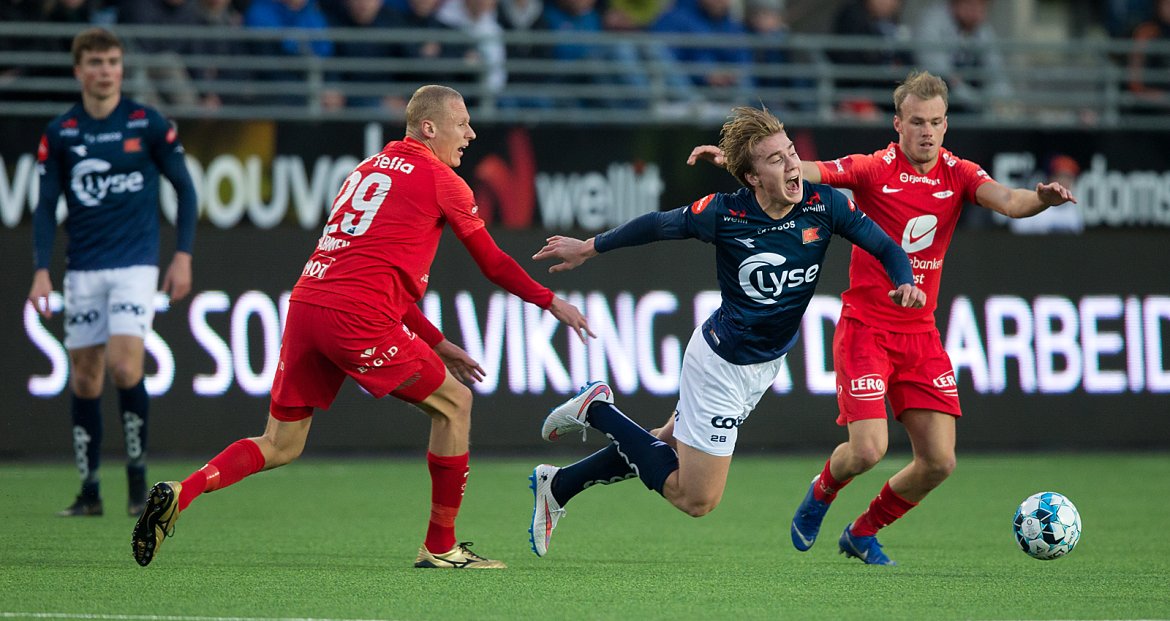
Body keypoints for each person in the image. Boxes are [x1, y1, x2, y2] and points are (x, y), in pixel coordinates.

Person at [130, 84, 594, 570]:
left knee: (280, 443)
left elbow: (373, 271)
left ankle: (182, 492)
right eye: (462, 125)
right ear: (429, 128)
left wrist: (438, 344)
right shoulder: (442, 180)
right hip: (355, 315)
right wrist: (549, 301)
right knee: (455, 405)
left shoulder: (366, 169)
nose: (471, 134)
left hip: (308, 303)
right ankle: (440, 547)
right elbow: (493, 263)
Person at [688, 70, 1077, 565]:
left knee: (938, 462)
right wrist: (741, 160)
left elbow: (1009, 200)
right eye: (917, 121)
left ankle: (863, 531)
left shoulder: (959, 173)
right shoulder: (875, 168)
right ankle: (821, 493)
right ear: (898, 123)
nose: (927, 132)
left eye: (936, 122)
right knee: (868, 449)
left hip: (921, 335)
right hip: (866, 329)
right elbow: (810, 171)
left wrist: (1041, 199)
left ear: (946, 124)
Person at [526, 104, 927, 558]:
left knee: (663, 444)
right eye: (776, 159)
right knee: (696, 498)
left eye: (791, 152)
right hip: (721, 363)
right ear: (753, 178)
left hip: (765, 363)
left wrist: (905, 280)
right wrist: (589, 247)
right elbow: (657, 225)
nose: (793, 164)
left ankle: (558, 484)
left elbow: (885, 246)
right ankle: (597, 409)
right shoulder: (724, 214)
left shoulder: (824, 205)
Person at [27, 27, 199, 518]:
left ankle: (137, 482)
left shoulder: (147, 123)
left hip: (135, 266)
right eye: (96, 62)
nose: (106, 71)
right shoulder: (61, 132)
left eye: (113, 62)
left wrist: (182, 254)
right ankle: (89, 491)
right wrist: (41, 270)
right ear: (79, 70)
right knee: (84, 379)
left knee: (125, 367)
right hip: (82, 268)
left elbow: (186, 190)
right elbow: (44, 208)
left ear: (122, 68)